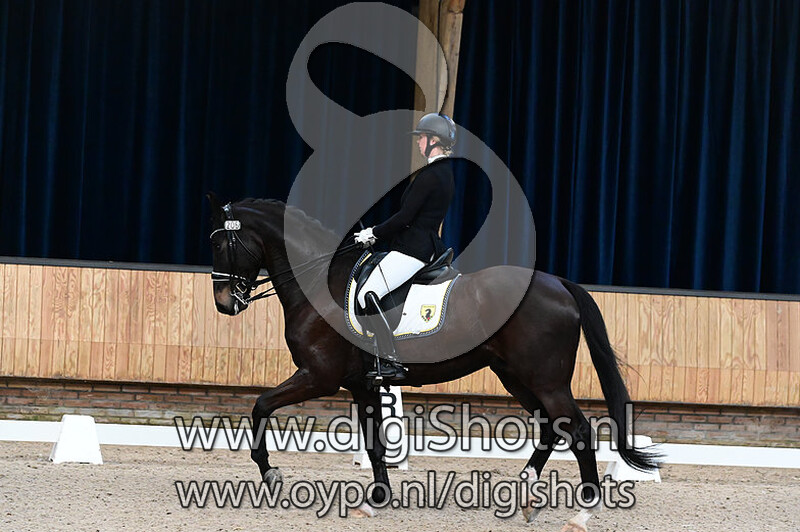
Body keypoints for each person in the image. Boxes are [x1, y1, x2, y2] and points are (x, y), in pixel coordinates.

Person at [353, 113, 456, 381]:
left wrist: (372, 233)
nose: (419, 142)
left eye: (422, 138)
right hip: (421, 245)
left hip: (414, 249)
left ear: (434, 141)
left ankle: (390, 360)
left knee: (368, 293)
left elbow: (405, 217)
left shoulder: (431, 175)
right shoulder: (444, 173)